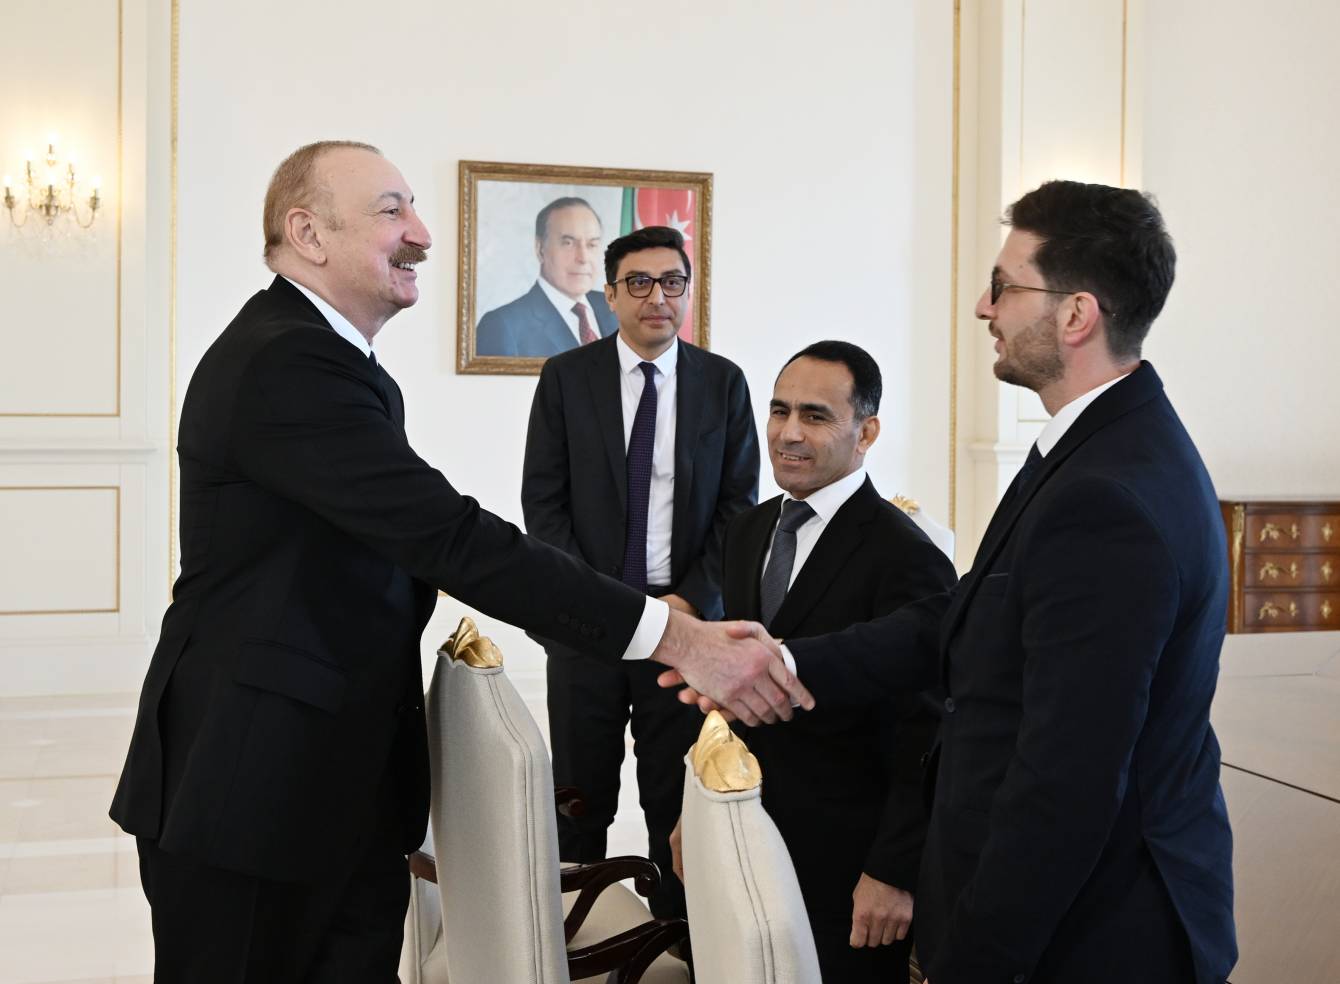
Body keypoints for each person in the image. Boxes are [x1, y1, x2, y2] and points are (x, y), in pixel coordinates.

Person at [109, 140, 806, 983]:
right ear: (308, 233)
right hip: (254, 787)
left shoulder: (331, 359)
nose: (423, 233)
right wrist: (681, 638)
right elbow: (451, 537)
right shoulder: (286, 361)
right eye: (392, 210)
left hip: (320, 783)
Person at [671, 180, 1237, 984]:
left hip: (1094, 933)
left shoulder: (1108, 495)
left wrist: (969, 960)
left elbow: (1065, 781)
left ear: (1076, 315)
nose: (983, 307)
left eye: (1004, 286)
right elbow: (963, 619)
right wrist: (783, 661)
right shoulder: (1089, 450)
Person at [521, 225, 759, 919]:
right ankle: (574, 941)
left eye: (672, 282)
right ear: (611, 294)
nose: (658, 297)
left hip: (680, 632)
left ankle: (678, 941)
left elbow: (738, 509)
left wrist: (690, 602)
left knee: (675, 803)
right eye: (640, 283)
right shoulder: (567, 378)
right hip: (586, 628)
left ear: (687, 290)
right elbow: (544, 504)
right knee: (578, 800)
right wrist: (590, 606)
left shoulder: (722, 383)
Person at [708, 340, 956, 981]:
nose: (789, 433)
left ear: (866, 433)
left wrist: (893, 871)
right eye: (780, 411)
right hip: (745, 840)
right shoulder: (746, 532)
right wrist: (698, 809)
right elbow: (730, 692)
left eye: (815, 416)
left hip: (850, 870)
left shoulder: (908, 556)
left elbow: (929, 730)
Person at [475, 196, 618, 357]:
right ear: (540, 249)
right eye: (568, 243)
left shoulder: (617, 308)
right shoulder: (501, 326)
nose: (583, 258)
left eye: (592, 244)